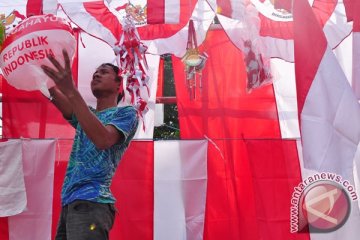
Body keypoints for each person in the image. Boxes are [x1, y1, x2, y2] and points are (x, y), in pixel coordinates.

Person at [41, 50, 139, 240]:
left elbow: (103, 140)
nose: (97, 74)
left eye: (104, 71)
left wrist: (71, 90)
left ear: (119, 84)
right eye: (96, 72)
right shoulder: (86, 116)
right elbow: (52, 92)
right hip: (70, 203)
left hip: (92, 201)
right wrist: (39, 73)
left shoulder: (127, 113)